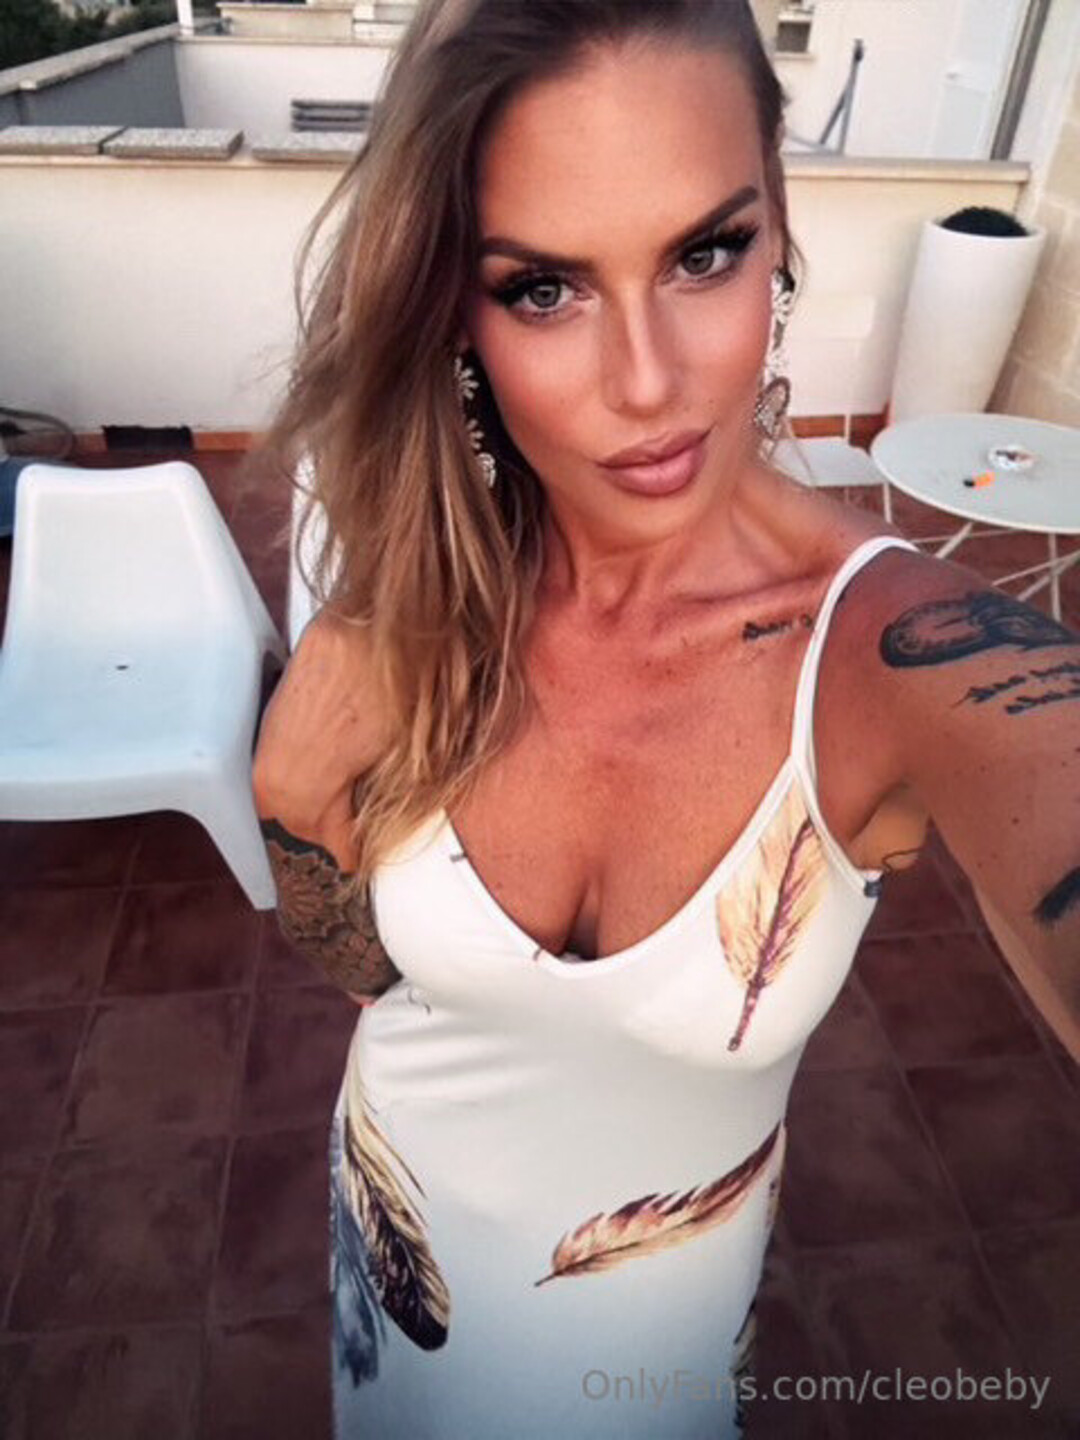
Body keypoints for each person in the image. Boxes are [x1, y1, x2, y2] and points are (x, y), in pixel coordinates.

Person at [250, 1, 1080, 1435]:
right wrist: (291, 802)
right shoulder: (422, 598)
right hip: (393, 1273)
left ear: (779, 226)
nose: (647, 384)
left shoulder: (899, 658)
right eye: (543, 289)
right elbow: (367, 974)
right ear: (454, 308)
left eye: (705, 254)